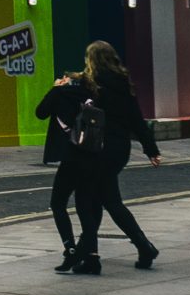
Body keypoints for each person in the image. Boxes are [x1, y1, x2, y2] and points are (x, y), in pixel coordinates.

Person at [64, 40, 163, 274]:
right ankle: (128, 249)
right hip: (119, 149)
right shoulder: (123, 83)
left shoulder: (91, 84)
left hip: (97, 148)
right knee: (104, 198)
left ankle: (93, 256)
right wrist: (151, 150)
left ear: (93, 60)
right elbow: (137, 120)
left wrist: (62, 86)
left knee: (94, 200)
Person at [35, 69, 88, 272]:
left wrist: (55, 89)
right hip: (90, 155)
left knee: (58, 204)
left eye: (64, 78)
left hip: (69, 157)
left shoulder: (60, 93)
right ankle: (90, 253)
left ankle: (71, 249)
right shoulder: (88, 92)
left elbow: (40, 113)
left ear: (67, 81)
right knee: (86, 205)